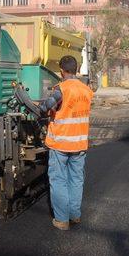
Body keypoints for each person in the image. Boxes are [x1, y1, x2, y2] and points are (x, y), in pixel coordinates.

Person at [40, 55, 93, 231]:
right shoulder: (86, 90)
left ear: (62, 71)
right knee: (76, 180)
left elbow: (46, 106)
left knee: (59, 180)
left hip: (61, 143)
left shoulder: (61, 89)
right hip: (79, 143)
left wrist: (43, 107)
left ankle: (62, 220)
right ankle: (74, 215)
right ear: (76, 70)